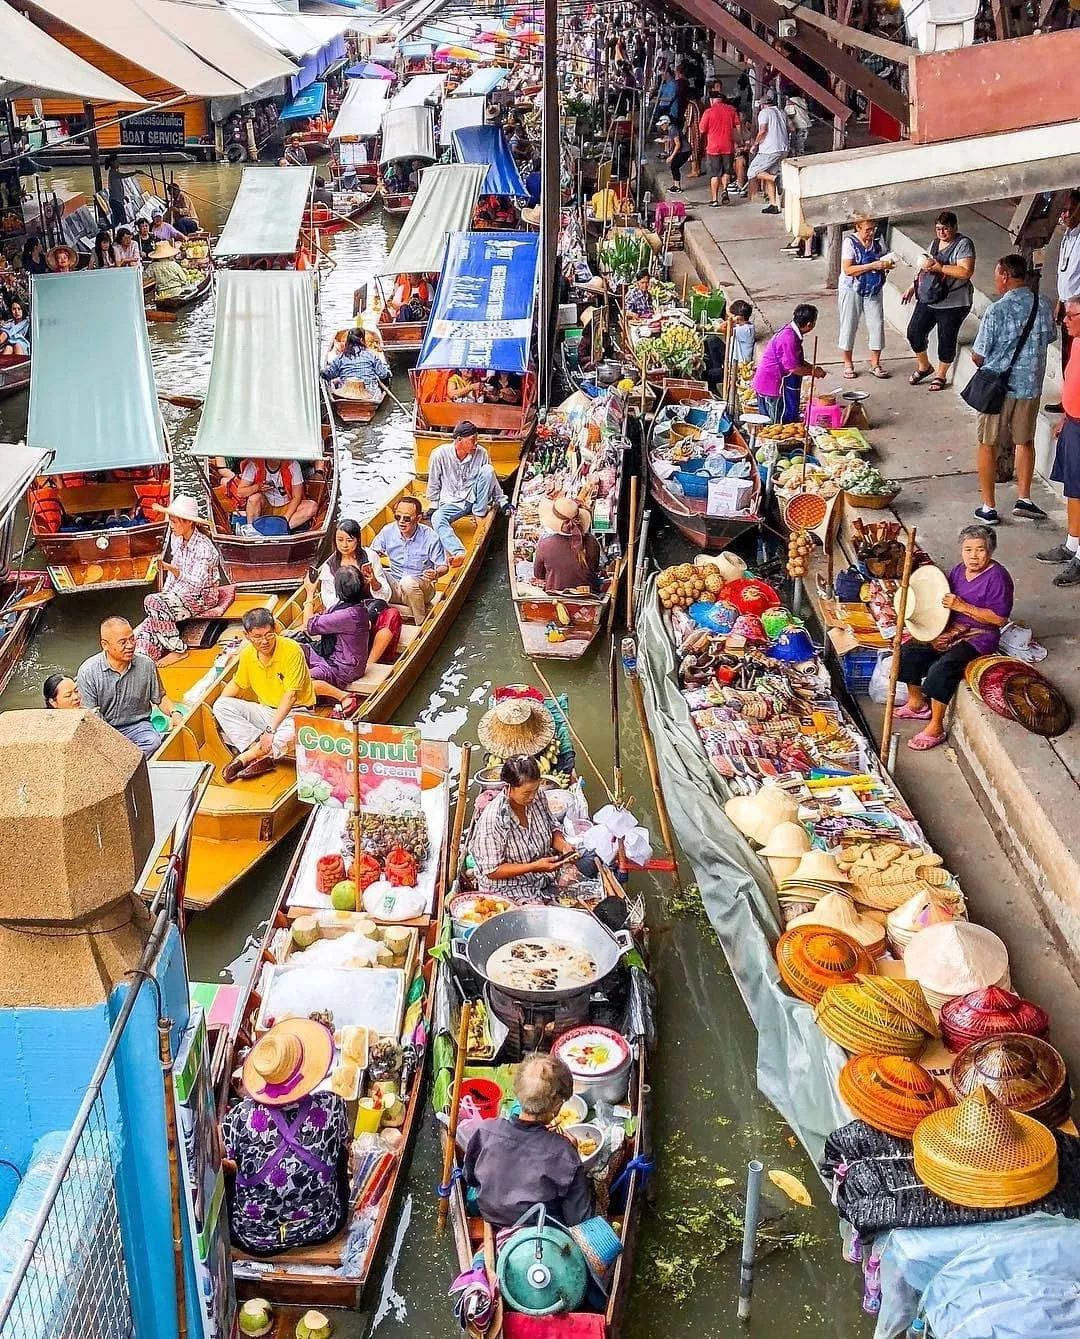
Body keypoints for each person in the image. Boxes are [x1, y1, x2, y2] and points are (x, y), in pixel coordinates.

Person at [222, 1018, 349, 1256]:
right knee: (340, 1152)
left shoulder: (238, 1117)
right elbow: (342, 1145)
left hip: (255, 1239)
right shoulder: (333, 1105)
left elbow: (227, 1159)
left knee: (231, 1170)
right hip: (322, 1227)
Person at [897, 527, 1013, 751]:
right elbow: (941, 600)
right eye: (968, 549)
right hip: (952, 627)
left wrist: (962, 606)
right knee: (911, 649)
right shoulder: (959, 571)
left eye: (980, 550)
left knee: (944, 667)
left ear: (990, 551)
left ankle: (936, 726)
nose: (973, 555)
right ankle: (917, 703)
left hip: (980, 635)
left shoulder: (998, 577)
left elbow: (998, 619)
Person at [969, 253, 1057, 525]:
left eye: (997, 275)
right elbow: (1050, 336)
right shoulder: (1041, 305)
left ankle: (989, 506)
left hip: (998, 388)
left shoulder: (997, 310)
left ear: (1005, 276)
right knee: (1025, 441)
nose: (995, 280)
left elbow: (978, 354)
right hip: (1030, 386)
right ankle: (1024, 498)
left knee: (987, 444)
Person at [463, 1053, 593, 1230]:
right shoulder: (565, 1154)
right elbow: (578, 1218)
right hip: (540, 1229)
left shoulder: (486, 1130)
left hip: (490, 1216)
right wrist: (573, 1158)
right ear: (556, 1107)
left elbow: (469, 1177)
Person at [213, 607, 316, 782]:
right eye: (257, 637)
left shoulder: (292, 650)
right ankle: (258, 751)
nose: (264, 641)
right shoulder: (247, 654)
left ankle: (244, 759)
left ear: (275, 629)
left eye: (269, 635)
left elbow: (291, 696)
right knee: (220, 705)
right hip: (266, 710)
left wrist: (270, 730)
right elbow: (237, 684)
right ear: (247, 636)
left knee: (287, 736)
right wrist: (217, 715)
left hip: (297, 713)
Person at [468, 751, 583, 902]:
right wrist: (534, 866)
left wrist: (564, 847)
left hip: (541, 875)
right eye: (526, 793)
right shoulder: (493, 819)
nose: (532, 797)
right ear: (509, 788)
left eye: (535, 790)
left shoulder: (538, 797)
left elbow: (553, 827)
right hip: (508, 887)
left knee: (585, 866)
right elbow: (492, 870)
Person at [133, 496, 224, 665]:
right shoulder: (176, 539)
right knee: (145, 628)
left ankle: (178, 650)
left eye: (174, 522)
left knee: (152, 601)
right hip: (180, 594)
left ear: (188, 523)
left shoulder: (204, 547)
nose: (171, 526)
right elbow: (172, 579)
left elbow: (197, 585)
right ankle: (144, 659)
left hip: (203, 597)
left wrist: (174, 571)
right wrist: (165, 597)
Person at [76, 616, 181, 756]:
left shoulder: (146, 665)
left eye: (132, 639)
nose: (130, 645)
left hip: (137, 726)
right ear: (105, 645)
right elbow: (90, 717)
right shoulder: (88, 672)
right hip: (105, 729)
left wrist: (175, 713)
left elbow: (160, 698)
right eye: (123, 642)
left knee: (153, 742)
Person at [903, 210, 976, 391]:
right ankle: (924, 365)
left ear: (954, 228)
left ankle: (941, 374)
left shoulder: (963, 244)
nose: (942, 233)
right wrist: (913, 286)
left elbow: (965, 271)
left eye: (945, 229)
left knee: (946, 337)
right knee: (914, 332)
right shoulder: (935, 243)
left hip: (954, 300)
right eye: (938, 229)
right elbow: (924, 268)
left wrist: (941, 268)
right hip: (929, 295)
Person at [1036, 296, 1080, 586]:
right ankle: (1071, 543)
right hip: (1073, 424)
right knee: (1073, 489)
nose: (1064, 321)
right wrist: (1066, 417)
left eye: (1070, 316)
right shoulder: (1076, 343)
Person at [317, 518, 401, 664]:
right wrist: (354, 614)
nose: (344, 545)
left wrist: (373, 581)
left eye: (349, 540)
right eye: (340, 540)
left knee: (392, 614)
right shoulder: (329, 566)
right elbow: (329, 601)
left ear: (357, 540)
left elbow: (385, 595)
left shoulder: (370, 557)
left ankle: (371, 662)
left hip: (372, 609)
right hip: (344, 614)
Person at [426, 422, 510, 564]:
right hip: (452, 501)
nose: (476, 444)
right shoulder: (439, 454)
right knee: (437, 518)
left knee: (488, 470)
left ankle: (479, 512)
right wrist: (434, 505)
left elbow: (491, 480)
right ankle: (459, 552)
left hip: (475, 498)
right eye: (472, 440)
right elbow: (433, 482)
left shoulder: (481, 453)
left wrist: (503, 502)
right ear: (459, 440)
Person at [299, 565, 370, 714]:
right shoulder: (355, 606)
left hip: (342, 668)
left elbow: (308, 625)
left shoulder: (348, 615)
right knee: (294, 649)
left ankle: (341, 697)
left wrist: (310, 593)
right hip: (337, 657)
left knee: (301, 680)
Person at [369, 494, 448, 624]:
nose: (401, 522)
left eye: (406, 518)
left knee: (408, 583)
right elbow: (372, 554)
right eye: (397, 517)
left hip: (421, 587)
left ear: (418, 519)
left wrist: (436, 573)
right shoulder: (388, 531)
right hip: (395, 585)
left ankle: (420, 623)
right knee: (368, 572)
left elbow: (443, 566)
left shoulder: (430, 537)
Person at [839, 215, 893, 380]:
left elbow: (883, 257)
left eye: (873, 229)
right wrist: (871, 266)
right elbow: (847, 269)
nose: (871, 232)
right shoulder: (849, 242)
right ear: (858, 227)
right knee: (849, 324)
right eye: (867, 229)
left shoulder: (877, 240)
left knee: (876, 323)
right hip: (851, 288)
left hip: (873, 286)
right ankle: (848, 363)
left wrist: (886, 265)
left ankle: (875, 363)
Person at [751, 304, 825, 424]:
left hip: (767, 383)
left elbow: (796, 360)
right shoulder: (788, 338)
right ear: (809, 324)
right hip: (771, 386)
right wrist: (814, 372)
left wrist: (812, 367)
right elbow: (793, 368)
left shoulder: (790, 332)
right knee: (775, 425)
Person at [533, 495, 602, 594]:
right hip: (587, 594)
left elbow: (538, 574)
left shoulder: (544, 544)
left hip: (556, 594)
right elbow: (594, 568)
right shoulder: (592, 541)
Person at [235, 458, 317, 535]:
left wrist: (285, 519)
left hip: (287, 506)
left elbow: (297, 497)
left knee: (311, 506)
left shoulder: (292, 465)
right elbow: (240, 492)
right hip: (265, 507)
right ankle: (252, 530)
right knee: (254, 498)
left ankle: (275, 529)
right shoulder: (254, 464)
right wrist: (258, 487)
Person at [747, 89, 789, 215]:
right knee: (769, 173)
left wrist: (755, 144)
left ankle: (777, 178)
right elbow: (791, 127)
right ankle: (773, 204)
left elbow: (763, 130)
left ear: (762, 105)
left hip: (769, 149)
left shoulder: (764, 113)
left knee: (752, 172)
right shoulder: (781, 112)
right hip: (783, 148)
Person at [697, 89, 741, 207]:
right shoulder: (731, 110)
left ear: (712, 100)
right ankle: (725, 190)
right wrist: (739, 140)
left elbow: (701, 130)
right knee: (726, 172)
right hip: (728, 146)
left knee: (714, 174)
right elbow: (737, 126)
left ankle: (715, 200)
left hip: (713, 148)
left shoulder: (708, 112)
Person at [321, 328, 391, 401]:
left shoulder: (341, 357)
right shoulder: (371, 355)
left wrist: (322, 372)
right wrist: (388, 372)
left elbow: (329, 374)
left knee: (335, 382)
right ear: (361, 340)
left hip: (345, 393)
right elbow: (383, 374)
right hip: (370, 392)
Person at [106, 154, 140, 228]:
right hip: (115, 201)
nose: (118, 163)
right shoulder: (113, 173)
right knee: (122, 221)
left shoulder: (115, 172)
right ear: (112, 163)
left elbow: (117, 188)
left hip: (118, 200)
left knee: (118, 221)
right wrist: (135, 173)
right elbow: (123, 175)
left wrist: (123, 196)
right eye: (117, 162)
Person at [660, 117, 690, 192]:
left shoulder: (673, 129)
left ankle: (677, 187)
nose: (661, 126)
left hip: (685, 151)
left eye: (662, 125)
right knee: (674, 166)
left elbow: (678, 144)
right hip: (682, 151)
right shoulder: (671, 129)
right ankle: (676, 185)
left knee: (674, 166)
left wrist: (671, 156)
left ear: (667, 123)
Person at [726, 299, 756, 365]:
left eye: (732, 316)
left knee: (709, 372)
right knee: (713, 341)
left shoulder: (746, 330)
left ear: (739, 317)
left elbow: (722, 329)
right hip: (732, 358)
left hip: (737, 365)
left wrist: (730, 320)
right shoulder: (743, 326)